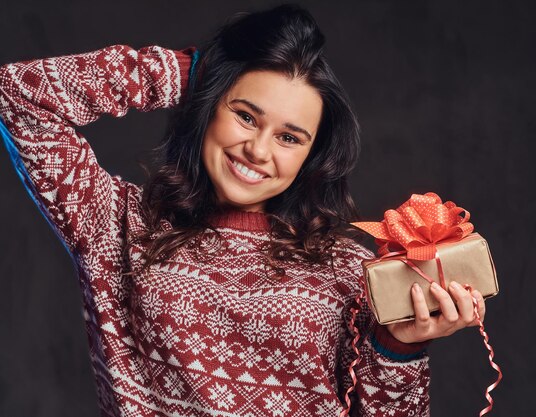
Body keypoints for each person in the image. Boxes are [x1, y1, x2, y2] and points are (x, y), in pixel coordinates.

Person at [0, 4, 485, 416]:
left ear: (310, 155)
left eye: (289, 137)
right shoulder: (115, 224)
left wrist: (399, 349)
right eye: (245, 115)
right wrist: (194, 71)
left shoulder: (348, 267)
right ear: (208, 105)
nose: (257, 150)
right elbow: (16, 97)